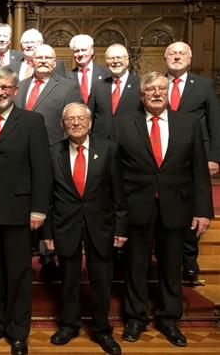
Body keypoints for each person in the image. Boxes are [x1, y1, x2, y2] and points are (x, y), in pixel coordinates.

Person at [114, 72, 213, 347]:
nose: (156, 94)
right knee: (136, 266)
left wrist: (203, 210)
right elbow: (116, 172)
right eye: (150, 90)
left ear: (167, 92)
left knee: (172, 267)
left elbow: (199, 171)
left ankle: (169, 319)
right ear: (141, 95)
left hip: (176, 207)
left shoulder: (188, 123)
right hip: (137, 207)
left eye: (161, 89)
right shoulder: (123, 124)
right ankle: (135, 317)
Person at [0, 66, 52, 355]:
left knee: (18, 273)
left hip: (19, 210)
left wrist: (39, 209)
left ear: (15, 90)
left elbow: (42, 169)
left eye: (5, 87)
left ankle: (18, 331)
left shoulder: (32, 121)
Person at [42, 102, 127, 355]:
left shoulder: (109, 149)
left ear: (90, 122)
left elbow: (118, 194)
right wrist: (46, 233)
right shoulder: (51, 152)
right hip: (64, 225)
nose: (76, 123)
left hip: (101, 225)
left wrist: (120, 228)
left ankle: (102, 330)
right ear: (62, 124)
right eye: (70, 119)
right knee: (68, 280)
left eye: (81, 118)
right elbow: (46, 196)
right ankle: (69, 325)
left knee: (101, 280)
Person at [163, 41, 220, 281]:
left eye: (181, 53)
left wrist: (214, 157)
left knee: (191, 207)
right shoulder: (155, 83)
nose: (177, 57)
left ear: (190, 58)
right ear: (165, 58)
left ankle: (189, 258)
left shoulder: (204, 85)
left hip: (195, 156)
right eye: (172, 54)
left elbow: (215, 123)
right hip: (163, 154)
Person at [16, 44, 82, 145]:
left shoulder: (69, 88)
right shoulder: (19, 86)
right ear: (31, 62)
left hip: (53, 150)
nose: (43, 61)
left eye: (48, 58)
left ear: (54, 63)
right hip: (20, 147)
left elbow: (73, 124)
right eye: (38, 57)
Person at [91, 44, 141, 139]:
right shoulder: (97, 86)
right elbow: (90, 117)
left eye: (119, 57)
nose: (115, 61)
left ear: (127, 60)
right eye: (111, 58)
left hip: (131, 141)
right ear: (106, 62)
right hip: (101, 143)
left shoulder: (140, 84)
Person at [67, 34, 109, 110]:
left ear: (92, 51)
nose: (80, 54)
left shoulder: (106, 73)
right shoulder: (67, 77)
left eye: (83, 50)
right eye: (76, 51)